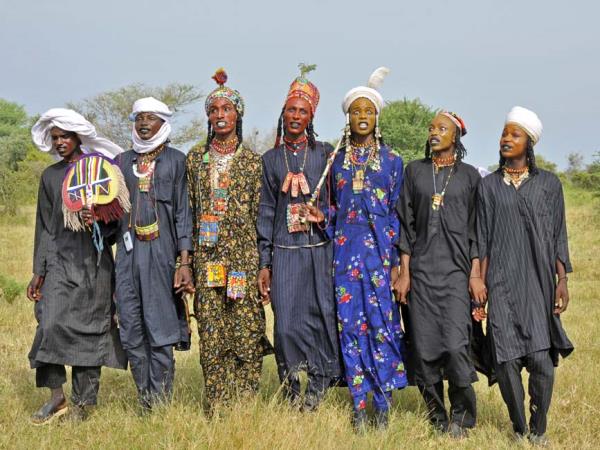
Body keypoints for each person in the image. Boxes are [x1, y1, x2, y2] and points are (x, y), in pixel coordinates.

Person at [305, 67, 408, 430]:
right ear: (347, 118)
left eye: (368, 111)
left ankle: (382, 406)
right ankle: (358, 403)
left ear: (377, 117)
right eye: (356, 111)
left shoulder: (394, 162)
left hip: (381, 256)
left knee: (381, 326)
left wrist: (397, 264)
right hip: (346, 256)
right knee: (351, 328)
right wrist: (321, 216)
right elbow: (334, 209)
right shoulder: (336, 162)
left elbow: (399, 214)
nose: (362, 117)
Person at [476, 106, 573, 446]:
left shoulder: (549, 184)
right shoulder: (488, 186)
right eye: (504, 133)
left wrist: (562, 281)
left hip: (538, 282)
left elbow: (559, 235)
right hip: (500, 282)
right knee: (506, 362)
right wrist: (478, 281)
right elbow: (481, 237)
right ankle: (519, 429)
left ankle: (539, 429)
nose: (506, 139)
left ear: (529, 143)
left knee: (542, 362)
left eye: (514, 135)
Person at [28, 109, 127, 424]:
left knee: (90, 332)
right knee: (49, 325)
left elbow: (116, 226)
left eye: (64, 137)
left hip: (94, 264)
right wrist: (38, 271)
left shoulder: (101, 171)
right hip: (59, 262)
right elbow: (44, 227)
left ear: (78, 137)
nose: (59, 143)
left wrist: (96, 218)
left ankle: (84, 405)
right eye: (55, 138)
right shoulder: (50, 176)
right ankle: (56, 398)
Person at [257, 65, 342, 411]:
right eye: (291, 109)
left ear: (311, 116)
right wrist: (265, 262)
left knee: (320, 319)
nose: (295, 115)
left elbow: (339, 205)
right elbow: (265, 211)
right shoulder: (271, 159)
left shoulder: (325, 155)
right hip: (284, 253)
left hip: (318, 251)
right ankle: (290, 390)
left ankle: (317, 390)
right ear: (283, 113)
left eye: (302, 111)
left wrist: (324, 216)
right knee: (288, 326)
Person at [186, 69, 272, 408]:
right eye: (214, 110)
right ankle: (216, 403)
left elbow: (261, 216)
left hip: (243, 262)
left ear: (238, 114)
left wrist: (264, 264)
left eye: (227, 109)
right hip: (207, 260)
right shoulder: (195, 159)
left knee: (245, 329)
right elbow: (189, 210)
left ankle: (245, 401)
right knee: (211, 331)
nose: (220, 116)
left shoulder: (253, 162)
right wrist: (186, 262)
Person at [395, 111, 483, 437]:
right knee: (424, 347)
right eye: (432, 128)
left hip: (457, 275)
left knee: (457, 346)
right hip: (420, 275)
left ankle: (462, 416)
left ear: (455, 136)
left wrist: (475, 274)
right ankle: (437, 416)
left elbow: (478, 230)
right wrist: (404, 271)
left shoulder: (470, 176)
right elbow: (406, 224)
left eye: (442, 128)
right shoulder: (415, 172)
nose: (434, 132)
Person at [115, 97, 194, 411]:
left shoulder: (176, 161)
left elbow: (183, 215)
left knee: (160, 328)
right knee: (132, 328)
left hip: (161, 255)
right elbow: (112, 213)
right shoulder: (121, 162)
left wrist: (184, 261)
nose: (144, 124)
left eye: (151, 119)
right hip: (127, 255)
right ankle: (144, 398)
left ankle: (161, 402)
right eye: (139, 119)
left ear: (163, 123)